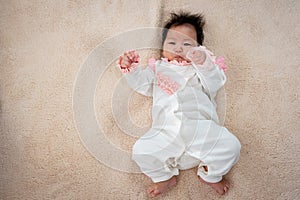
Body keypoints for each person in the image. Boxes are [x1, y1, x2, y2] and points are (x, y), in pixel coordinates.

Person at [117, 11, 241, 197]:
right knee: (141, 151)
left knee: (232, 146)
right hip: (165, 131)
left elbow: (215, 82)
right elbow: (143, 85)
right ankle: (163, 177)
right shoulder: (159, 68)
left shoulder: (201, 70)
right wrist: (131, 69)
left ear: (199, 48)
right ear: (163, 48)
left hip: (201, 128)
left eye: (187, 44)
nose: (179, 48)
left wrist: (205, 63)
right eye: (172, 43)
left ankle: (211, 175)